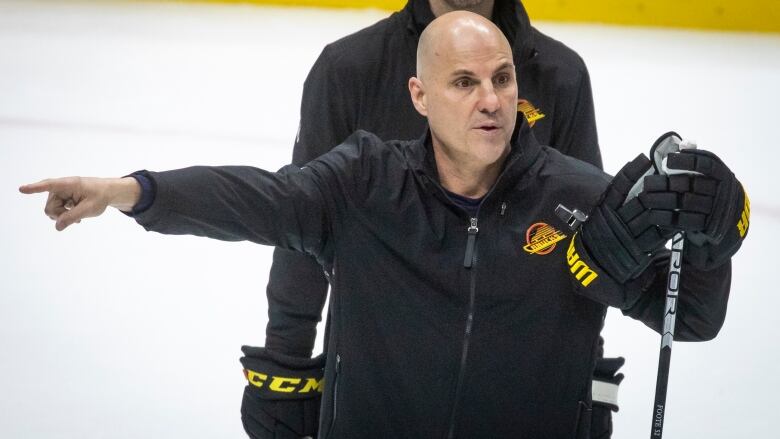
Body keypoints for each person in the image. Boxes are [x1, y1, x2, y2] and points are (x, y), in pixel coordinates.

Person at [21, 12, 747, 438]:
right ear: (419, 94)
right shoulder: (365, 181)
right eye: (464, 83)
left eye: (502, 78)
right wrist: (131, 191)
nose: (490, 99)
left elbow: (690, 319)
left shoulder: (577, 197)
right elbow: (259, 200)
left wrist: (715, 243)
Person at [259, 0, 615, 437]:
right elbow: (302, 221)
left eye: (502, 80)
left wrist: (590, 374)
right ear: (419, 92)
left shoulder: (561, 75)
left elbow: (585, 242)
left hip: (522, 397)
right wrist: (284, 360)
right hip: (379, 389)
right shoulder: (349, 69)